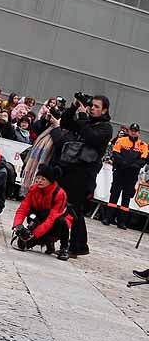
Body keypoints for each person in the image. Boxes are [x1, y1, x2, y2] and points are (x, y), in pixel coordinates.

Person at [55, 95, 113, 257]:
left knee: (75, 210)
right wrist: (74, 106)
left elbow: (91, 137)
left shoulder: (105, 127)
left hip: (85, 175)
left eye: (96, 106)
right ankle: (72, 243)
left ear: (104, 110)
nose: (92, 108)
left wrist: (82, 116)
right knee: (64, 205)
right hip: (70, 170)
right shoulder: (86, 122)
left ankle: (77, 246)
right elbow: (65, 122)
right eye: (91, 105)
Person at [12, 165, 73, 261]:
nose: (39, 181)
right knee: (22, 244)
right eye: (38, 178)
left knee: (61, 222)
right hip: (39, 218)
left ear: (50, 181)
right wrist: (18, 226)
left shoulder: (59, 194)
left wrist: (34, 234)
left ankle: (64, 247)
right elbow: (23, 209)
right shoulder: (33, 189)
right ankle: (46, 241)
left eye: (43, 179)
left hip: (55, 222)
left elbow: (51, 219)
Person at [103, 122, 148, 229]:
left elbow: (143, 159)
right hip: (120, 172)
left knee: (126, 198)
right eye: (132, 130)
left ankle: (121, 222)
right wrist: (123, 163)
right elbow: (116, 153)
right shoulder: (121, 140)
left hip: (132, 175)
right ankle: (107, 218)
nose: (133, 132)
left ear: (139, 133)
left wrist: (131, 165)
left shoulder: (143, 145)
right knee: (114, 194)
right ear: (129, 131)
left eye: (135, 131)